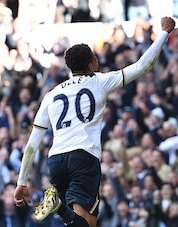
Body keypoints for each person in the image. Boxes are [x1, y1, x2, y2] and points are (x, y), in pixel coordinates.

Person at [13, 16, 176, 227]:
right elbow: (143, 66)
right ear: (91, 64)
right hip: (83, 157)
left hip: (56, 160)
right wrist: (164, 32)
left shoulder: (51, 95)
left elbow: (32, 143)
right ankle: (58, 207)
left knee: (87, 222)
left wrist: (21, 181)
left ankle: (59, 207)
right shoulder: (100, 81)